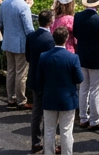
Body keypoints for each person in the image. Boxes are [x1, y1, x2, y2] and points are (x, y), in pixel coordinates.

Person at [34, 26, 81, 155]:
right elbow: (79, 78)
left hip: (49, 98)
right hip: (67, 100)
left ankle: (48, 152)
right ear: (66, 39)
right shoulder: (73, 58)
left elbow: (39, 79)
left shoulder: (44, 57)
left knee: (49, 130)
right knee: (66, 131)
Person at [72, 0, 99, 131]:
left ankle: (83, 117)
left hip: (82, 56)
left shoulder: (78, 16)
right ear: (98, 4)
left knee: (83, 89)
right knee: (95, 90)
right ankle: (94, 120)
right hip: (97, 60)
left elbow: (75, 34)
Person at [0, 0, 33, 108]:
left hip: (8, 42)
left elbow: (1, 23)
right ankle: (21, 100)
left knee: (11, 71)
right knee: (21, 73)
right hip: (21, 44)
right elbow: (29, 29)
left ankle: (11, 98)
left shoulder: (4, 3)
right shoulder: (24, 6)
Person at [26, 9, 55, 153]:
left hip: (33, 78)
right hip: (47, 81)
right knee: (49, 114)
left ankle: (35, 142)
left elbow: (28, 57)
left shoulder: (31, 36)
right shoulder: (50, 40)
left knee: (36, 112)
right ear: (50, 22)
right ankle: (49, 143)